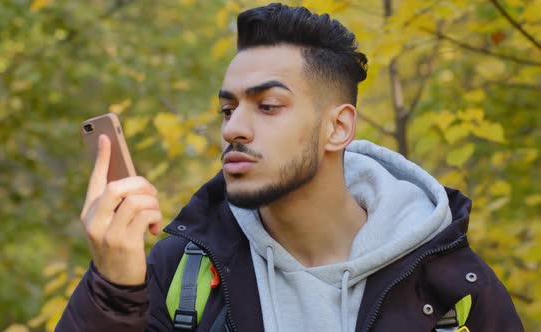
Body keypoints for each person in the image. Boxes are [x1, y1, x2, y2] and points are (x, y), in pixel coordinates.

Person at [57, 3, 523, 332]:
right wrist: (115, 291)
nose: (234, 129)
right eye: (227, 109)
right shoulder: (181, 273)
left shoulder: (454, 289)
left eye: (268, 106)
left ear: (337, 128)